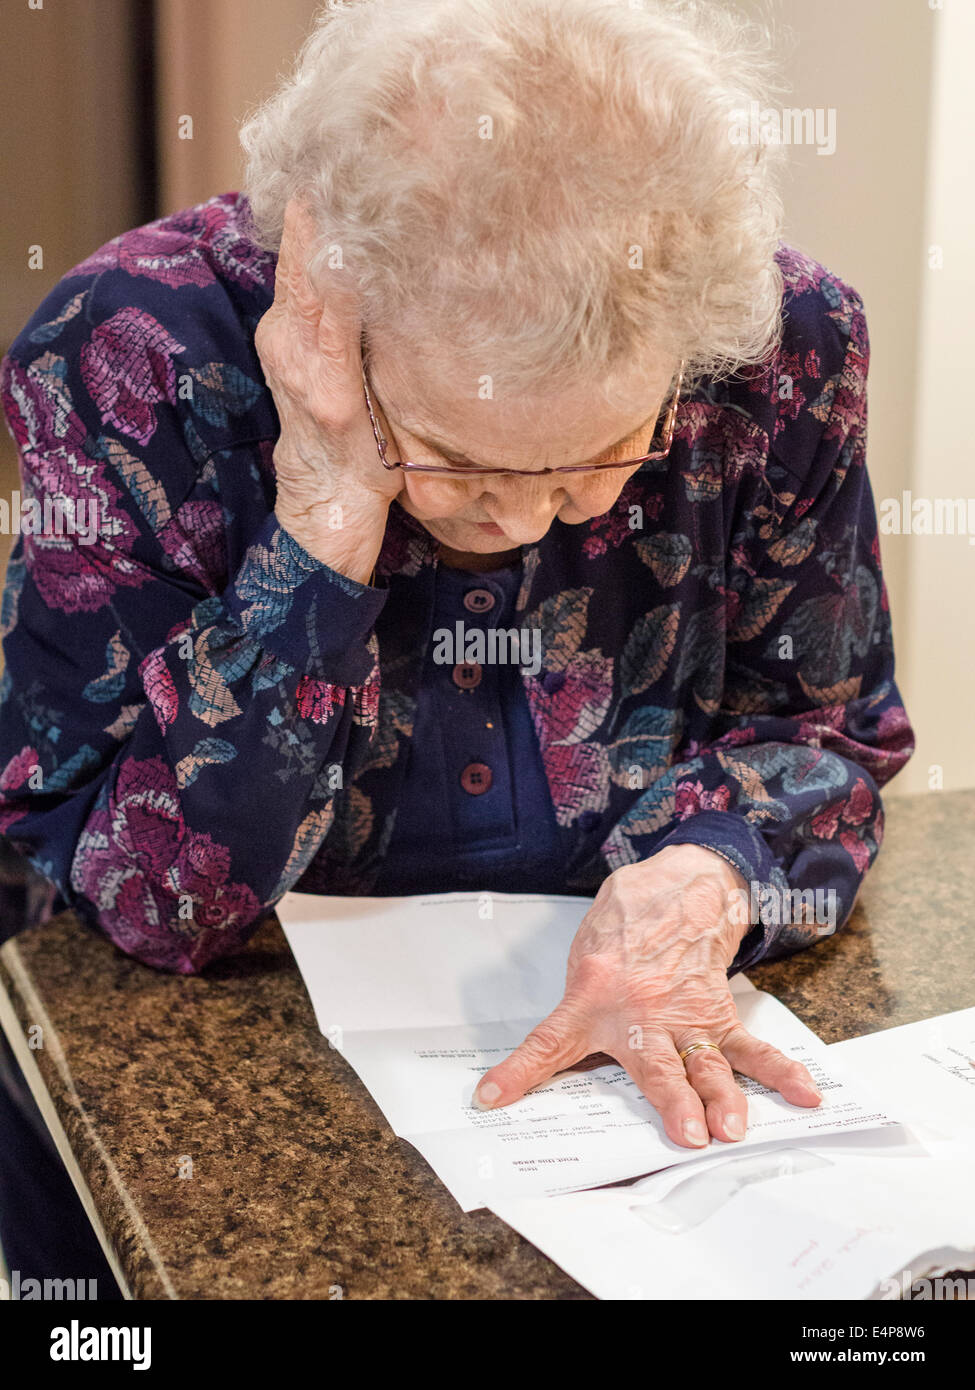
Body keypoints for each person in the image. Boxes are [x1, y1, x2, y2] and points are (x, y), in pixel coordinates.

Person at [0, 0, 912, 1244]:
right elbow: (147, 899)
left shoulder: (783, 349)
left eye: (602, 458)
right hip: (206, 1068)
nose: (532, 519)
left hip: (613, 1102)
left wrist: (709, 875)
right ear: (328, 295)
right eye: (455, 459)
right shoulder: (130, 351)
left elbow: (829, 732)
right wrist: (326, 513)